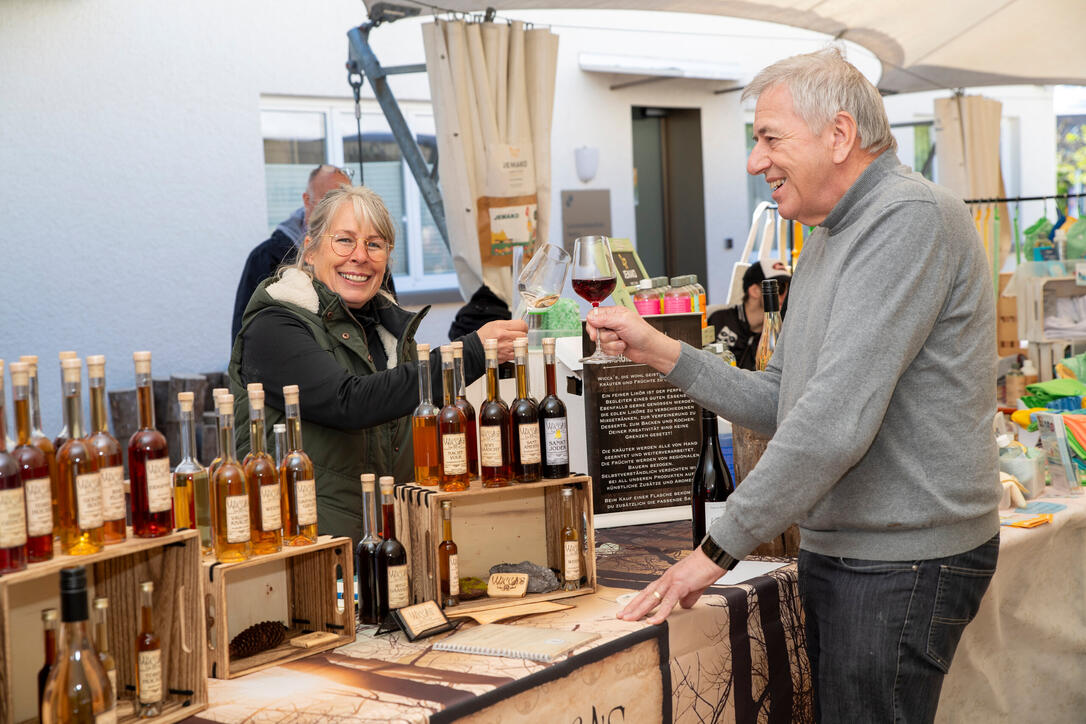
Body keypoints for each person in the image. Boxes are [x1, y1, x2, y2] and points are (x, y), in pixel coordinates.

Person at [589, 48, 1000, 722]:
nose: (756, 162)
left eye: (769, 138)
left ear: (839, 136)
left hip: (905, 559)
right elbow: (782, 402)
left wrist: (714, 551)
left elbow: (834, 423)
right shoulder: (828, 236)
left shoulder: (910, 219)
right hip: (848, 549)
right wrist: (661, 352)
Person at [228, 185, 526, 545]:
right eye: (344, 241)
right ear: (310, 249)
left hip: (389, 547)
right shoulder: (274, 325)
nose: (360, 256)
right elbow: (350, 402)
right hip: (308, 555)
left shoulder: (388, 333)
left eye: (374, 244)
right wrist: (471, 352)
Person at [230, 164, 352, 343]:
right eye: (327, 202)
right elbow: (245, 335)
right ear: (306, 200)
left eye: (346, 203)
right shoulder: (266, 258)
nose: (336, 212)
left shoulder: (367, 260)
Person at [708, 260, 791, 369]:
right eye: (779, 289)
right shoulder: (719, 320)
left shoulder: (782, 331)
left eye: (789, 290)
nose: (785, 296)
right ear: (754, 290)